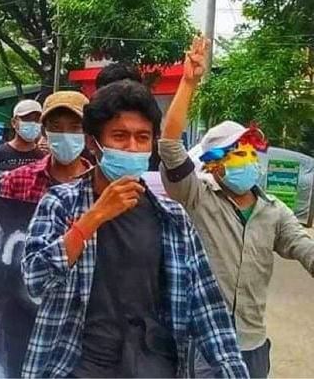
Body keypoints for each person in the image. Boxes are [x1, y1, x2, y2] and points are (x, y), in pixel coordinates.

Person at [22, 79, 248, 378]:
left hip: (152, 364)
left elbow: (207, 308)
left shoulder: (172, 218)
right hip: (79, 365)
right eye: (119, 136)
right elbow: (35, 279)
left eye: (142, 138)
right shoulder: (60, 203)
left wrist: (232, 370)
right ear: (94, 143)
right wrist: (94, 217)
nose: (132, 147)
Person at [161, 36, 314, 378]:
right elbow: (170, 145)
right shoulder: (197, 196)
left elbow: (305, 248)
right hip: (203, 341)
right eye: (235, 153)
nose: (246, 159)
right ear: (214, 164)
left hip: (252, 344)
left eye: (249, 151)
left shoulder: (273, 210)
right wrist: (188, 82)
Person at [0, 91, 91, 202]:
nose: (65, 135)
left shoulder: (100, 185)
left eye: (75, 127)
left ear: (88, 132)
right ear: (44, 131)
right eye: (56, 127)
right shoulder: (16, 180)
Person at [0, 99, 46, 170]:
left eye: (37, 120)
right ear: (14, 122)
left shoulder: (42, 156)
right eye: (27, 119)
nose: (33, 123)